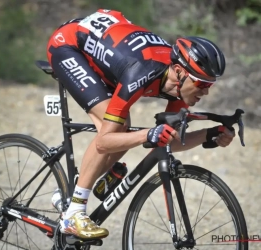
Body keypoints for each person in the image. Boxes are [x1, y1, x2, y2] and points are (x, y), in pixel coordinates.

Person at [46, 9, 234, 240]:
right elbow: (105, 142)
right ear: (178, 72)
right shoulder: (140, 72)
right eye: (201, 84)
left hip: (109, 47)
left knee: (124, 135)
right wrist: (148, 134)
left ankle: (78, 184)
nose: (205, 92)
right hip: (69, 46)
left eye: (210, 85)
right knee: (118, 129)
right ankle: (73, 213)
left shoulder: (180, 89)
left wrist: (210, 134)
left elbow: (169, 142)